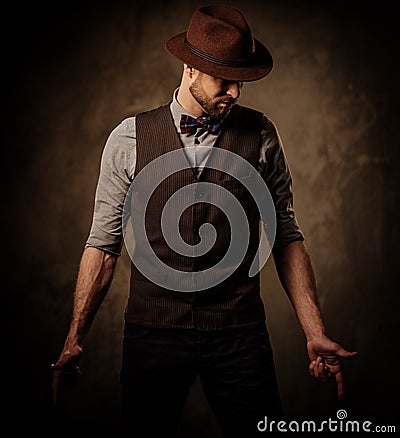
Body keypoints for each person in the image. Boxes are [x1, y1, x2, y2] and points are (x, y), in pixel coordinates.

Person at [51, 4, 357, 437]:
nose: (234, 91)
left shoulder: (262, 136)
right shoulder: (127, 138)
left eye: (241, 81)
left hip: (239, 334)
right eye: (224, 78)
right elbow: (102, 245)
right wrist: (74, 338)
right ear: (190, 68)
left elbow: (286, 236)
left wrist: (315, 331)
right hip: (151, 334)